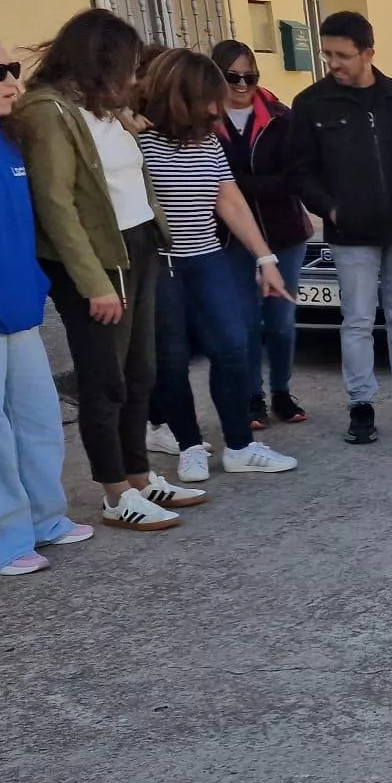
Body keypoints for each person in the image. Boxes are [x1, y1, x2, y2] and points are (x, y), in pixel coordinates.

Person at [19, 9, 191, 530]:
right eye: (130, 67)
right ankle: (114, 492)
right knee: (105, 378)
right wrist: (93, 281)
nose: (136, 79)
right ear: (101, 62)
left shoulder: (100, 108)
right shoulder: (49, 111)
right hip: (97, 260)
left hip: (137, 245)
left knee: (140, 372)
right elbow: (55, 205)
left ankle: (140, 478)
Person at [0, 25, 94, 573]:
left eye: (13, 69)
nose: (13, 81)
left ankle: (42, 519)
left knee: (35, 420)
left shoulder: (6, 139)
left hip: (19, 308)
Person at [135, 50, 297, 478]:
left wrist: (266, 259)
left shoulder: (208, 141)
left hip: (208, 257)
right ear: (181, 96)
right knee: (170, 359)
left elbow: (228, 198)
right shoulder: (139, 142)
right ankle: (189, 446)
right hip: (161, 265)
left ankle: (240, 446)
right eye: (209, 98)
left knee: (233, 345)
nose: (216, 107)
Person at [288, 11, 392, 445]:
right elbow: (301, 171)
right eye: (328, 55)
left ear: (368, 53)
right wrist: (332, 211)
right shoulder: (311, 104)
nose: (333, 63)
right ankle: (361, 405)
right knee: (356, 321)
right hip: (351, 235)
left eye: (342, 55)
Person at [211, 40, 310, 430]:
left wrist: (237, 186)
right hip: (229, 238)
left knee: (280, 321)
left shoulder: (281, 117)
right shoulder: (203, 120)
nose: (241, 84)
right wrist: (238, 188)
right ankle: (253, 396)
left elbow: (294, 179)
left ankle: (282, 391)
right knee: (245, 321)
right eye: (232, 77)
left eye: (249, 76)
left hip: (284, 233)